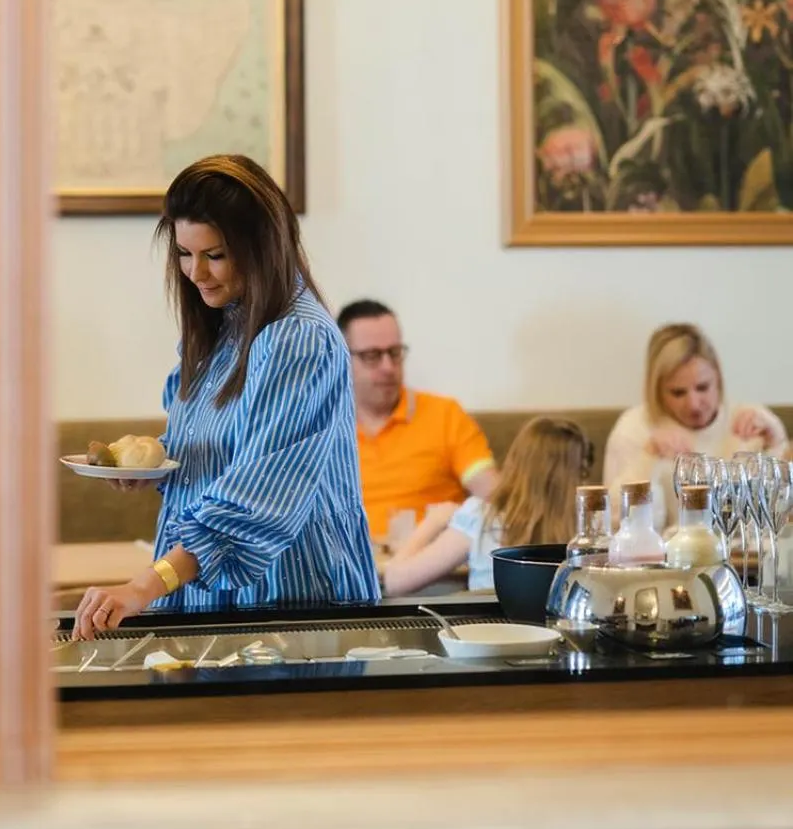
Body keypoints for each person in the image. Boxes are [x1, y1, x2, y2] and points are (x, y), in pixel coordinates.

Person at [73, 156, 380, 639]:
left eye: (215, 255)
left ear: (263, 248)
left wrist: (143, 586)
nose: (196, 273)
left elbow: (257, 496)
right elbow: (227, 444)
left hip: (288, 596)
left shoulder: (298, 338)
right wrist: (157, 464)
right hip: (208, 588)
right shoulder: (225, 327)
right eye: (183, 254)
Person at [336, 299, 498, 542]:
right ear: (341, 358)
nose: (389, 367)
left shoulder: (445, 416)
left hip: (431, 569)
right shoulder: (322, 427)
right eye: (372, 356)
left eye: (394, 352)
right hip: (348, 569)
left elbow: (494, 494)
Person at [603, 323, 788, 533]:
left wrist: (777, 442)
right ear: (656, 390)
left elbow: (781, 515)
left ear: (717, 378)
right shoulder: (634, 429)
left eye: (702, 387)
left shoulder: (753, 423)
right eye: (678, 393)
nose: (693, 403)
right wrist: (648, 457)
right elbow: (613, 526)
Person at [382, 416, 592, 597]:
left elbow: (395, 582)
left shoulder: (481, 517)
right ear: (580, 473)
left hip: (490, 636)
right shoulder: (594, 531)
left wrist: (433, 522)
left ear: (516, 464)